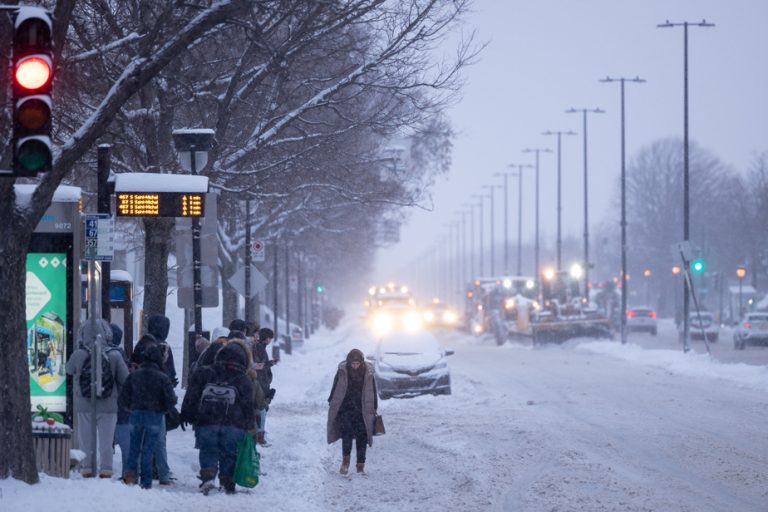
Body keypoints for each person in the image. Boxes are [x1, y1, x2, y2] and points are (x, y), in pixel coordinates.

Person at [181, 342, 256, 494]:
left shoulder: (204, 373)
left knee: (208, 449)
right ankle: (227, 481)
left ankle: (208, 479)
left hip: (207, 421)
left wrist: (186, 414)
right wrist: (249, 425)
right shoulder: (244, 379)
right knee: (230, 452)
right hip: (233, 424)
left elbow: (192, 395)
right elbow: (248, 406)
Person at [65, 319, 129, 479]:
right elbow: (125, 379)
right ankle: (106, 469)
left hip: (85, 404)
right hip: (108, 405)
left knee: (85, 439)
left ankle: (86, 468)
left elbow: (68, 369)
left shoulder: (79, 354)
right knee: (106, 441)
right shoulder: (114, 355)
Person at [118, 343, 177, 489]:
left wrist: (131, 407)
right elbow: (172, 400)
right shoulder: (162, 378)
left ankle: (131, 476)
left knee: (134, 447)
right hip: (154, 416)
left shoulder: (134, 376)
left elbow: (122, 398)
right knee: (148, 449)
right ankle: (146, 481)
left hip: (136, 414)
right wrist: (163, 409)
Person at [327, 349, 377, 475]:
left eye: (357, 364)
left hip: (362, 410)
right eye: (353, 364)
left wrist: (374, 406)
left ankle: (360, 465)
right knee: (346, 436)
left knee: (362, 437)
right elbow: (335, 387)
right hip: (346, 409)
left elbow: (373, 390)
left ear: (361, 362)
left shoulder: (368, 373)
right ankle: (345, 462)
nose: (355, 366)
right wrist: (332, 402)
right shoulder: (343, 371)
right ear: (349, 362)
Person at [109, 324, 132, 478]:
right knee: (126, 446)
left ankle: (105, 471)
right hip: (123, 409)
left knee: (106, 443)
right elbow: (126, 381)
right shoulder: (121, 356)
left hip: (107, 406)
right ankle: (127, 473)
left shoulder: (104, 355)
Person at [253, 327, 277, 446]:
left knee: (261, 408)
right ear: (267, 339)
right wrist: (270, 363)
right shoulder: (259, 348)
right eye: (270, 338)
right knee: (262, 408)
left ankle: (259, 434)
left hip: (261, 381)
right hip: (260, 382)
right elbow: (257, 365)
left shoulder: (259, 347)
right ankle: (260, 436)